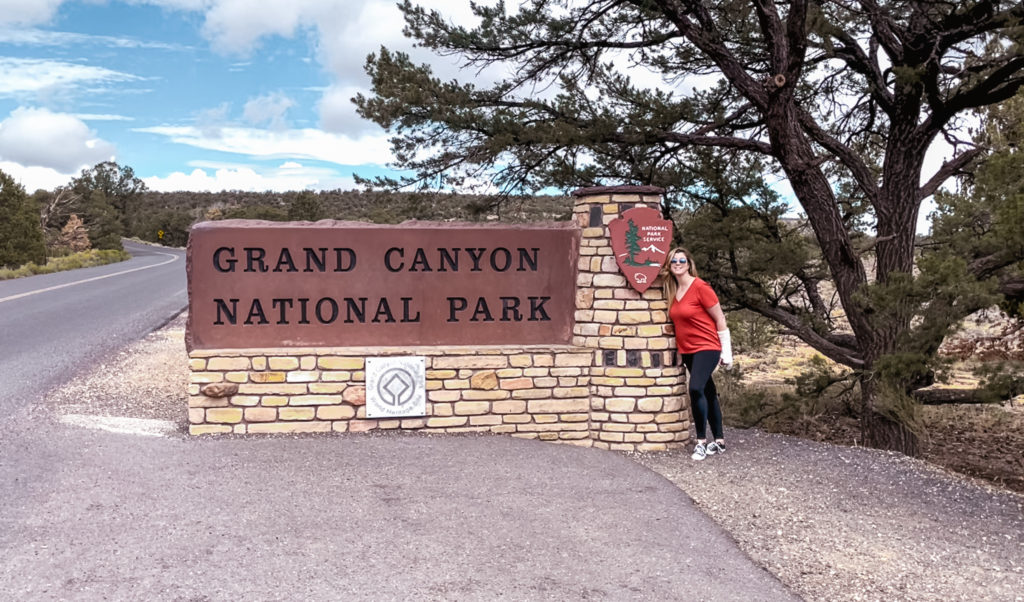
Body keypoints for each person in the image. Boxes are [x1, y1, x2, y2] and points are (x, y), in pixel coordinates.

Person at [661, 247, 733, 461]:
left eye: (682, 260)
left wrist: (726, 351)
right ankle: (719, 441)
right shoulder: (673, 289)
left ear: (689, 263)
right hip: (689, 349)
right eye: (674, 260)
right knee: (708, 391)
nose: (678, 263)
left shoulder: (700, 287)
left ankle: (701, 442)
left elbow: (720, 318)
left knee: (695, 388)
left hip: (707, 346)